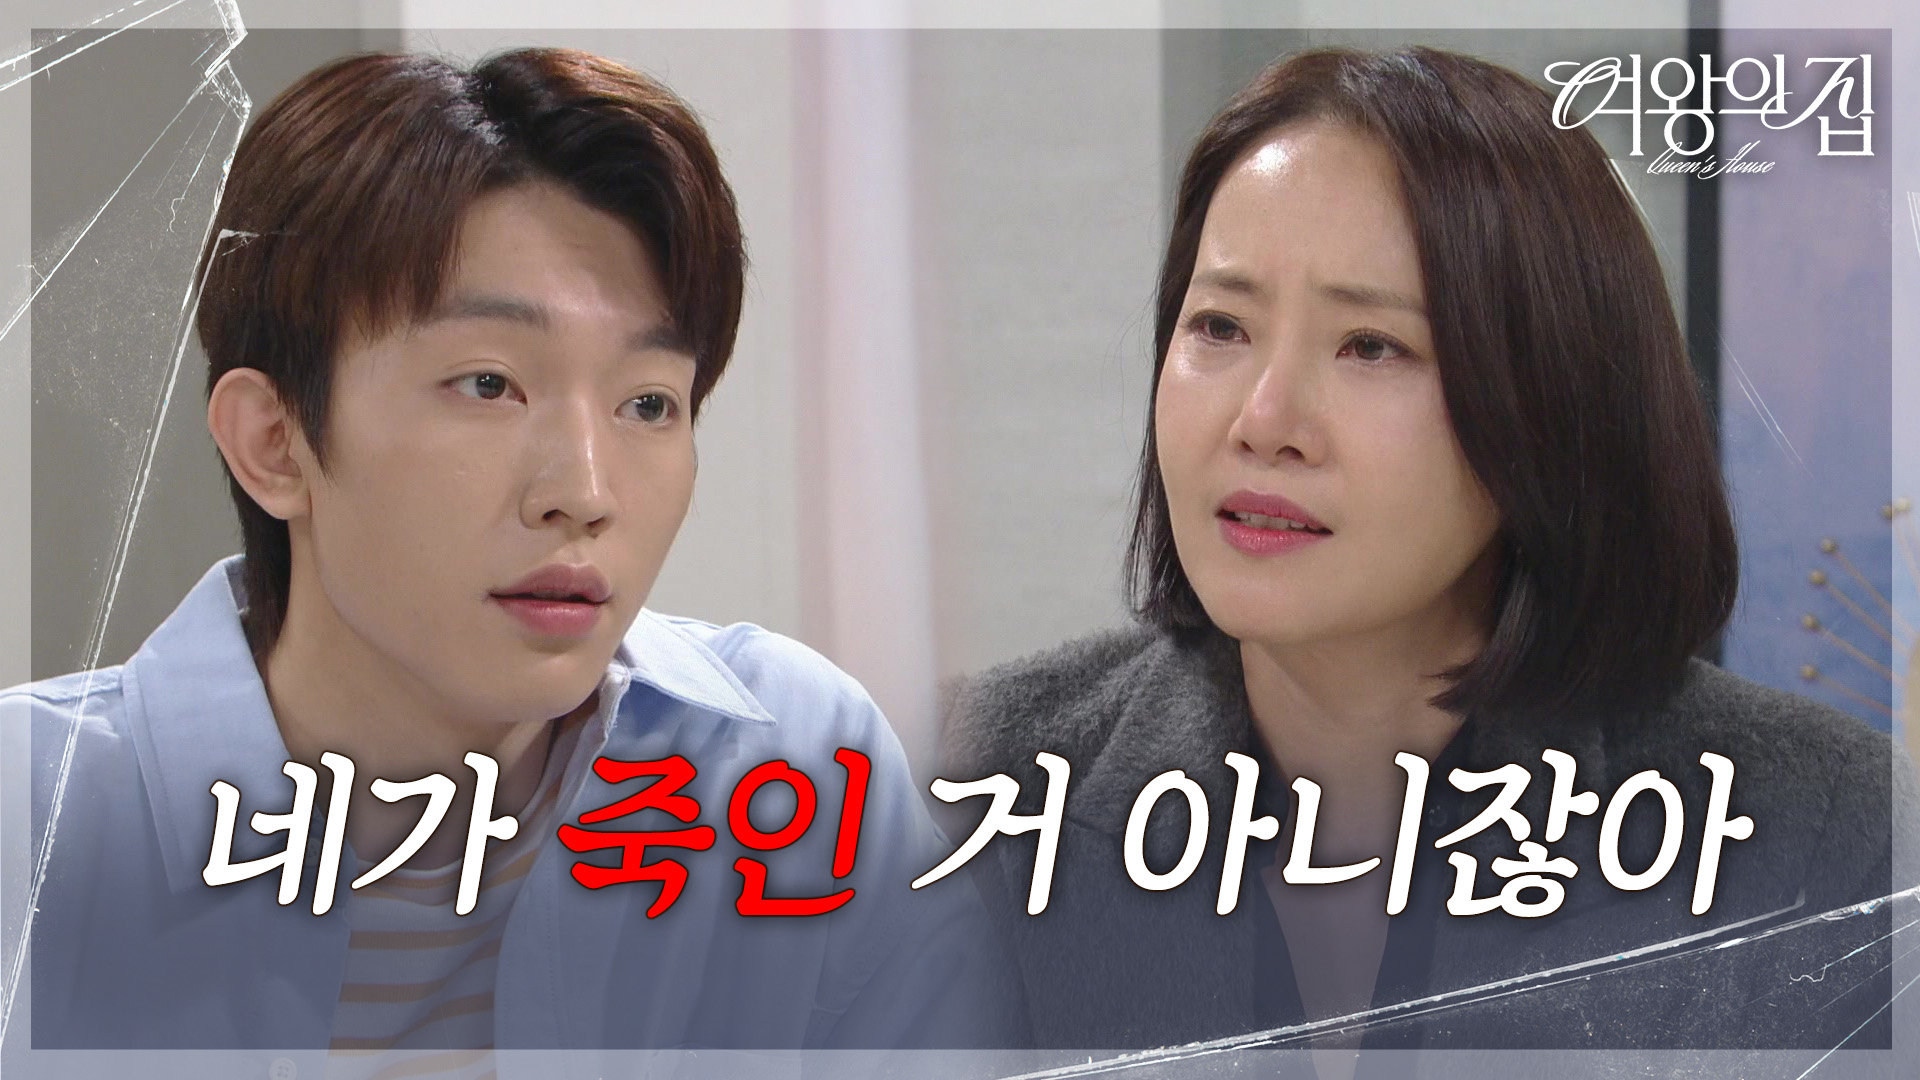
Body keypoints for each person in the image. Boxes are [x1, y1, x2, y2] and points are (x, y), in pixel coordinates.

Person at [6, 48, 1012, 1057]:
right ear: (275, 443)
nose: (585, 492)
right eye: (489, 385)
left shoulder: (795, 772)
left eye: (647, 404)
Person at [940, 46, 1917, 1062]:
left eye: (1371, 345)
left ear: (1550, 402)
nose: (1264, 420)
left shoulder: (1815, 830)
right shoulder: (968, 786)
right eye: (1220, 326)